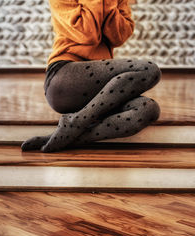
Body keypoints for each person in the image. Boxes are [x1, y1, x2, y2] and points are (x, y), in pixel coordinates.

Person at [21, 0, 161, 153]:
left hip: (101, 91)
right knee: (148, 69)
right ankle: (77, 122)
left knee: (148, 109)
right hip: (65, 78)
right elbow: (87, 34)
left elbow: (119, 36)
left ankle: (69, 136)